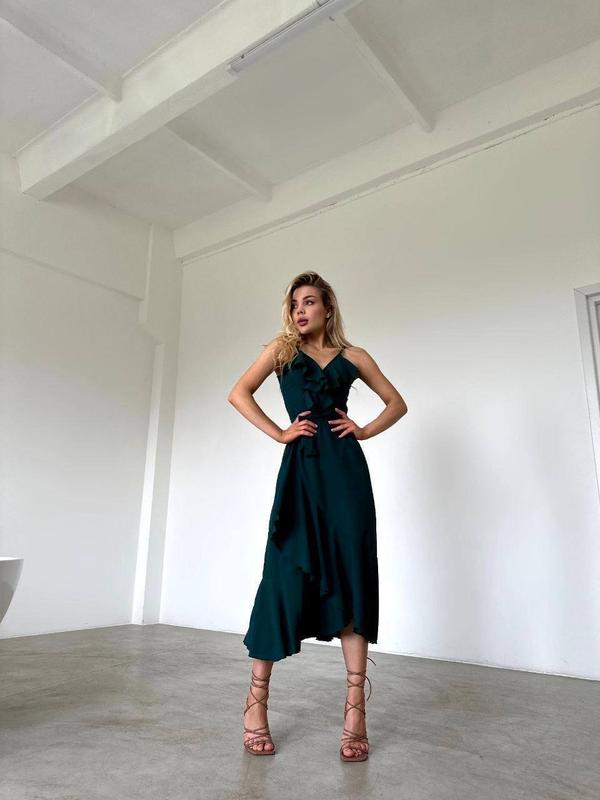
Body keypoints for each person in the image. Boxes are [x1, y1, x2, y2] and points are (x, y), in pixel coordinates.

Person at [227, 271, 407, 761]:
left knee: (352, 576)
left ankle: (355, 712)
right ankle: (255, 706)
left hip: (345, 477)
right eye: (294, 304)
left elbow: (397, 403)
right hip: (301, 475)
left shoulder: (355, 357)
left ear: (328, 307)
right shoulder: (281, 352)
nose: (299, 311)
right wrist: (280, 432)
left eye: (308, 302)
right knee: (282, 579)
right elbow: (239, 393)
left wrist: (363, 430)